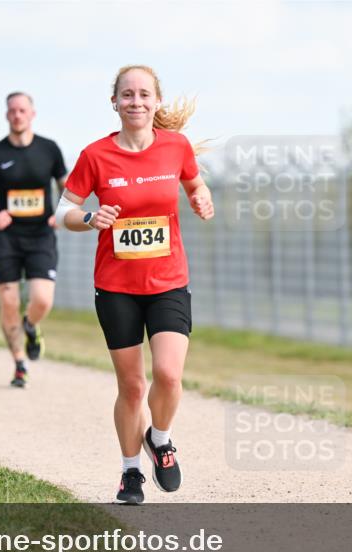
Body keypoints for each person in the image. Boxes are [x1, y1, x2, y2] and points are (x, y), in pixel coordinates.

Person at [57, 65, 214, 504]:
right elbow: (62, 212)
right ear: (115, 103)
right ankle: (130, 473)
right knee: (131, 387)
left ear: (156, 101)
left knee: (168, 374)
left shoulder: (176, 147)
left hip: (168, 281)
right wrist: (90, 217)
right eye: (127, 95)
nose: (136, 102)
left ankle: (159, 439)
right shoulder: (95, 155)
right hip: (116, 287)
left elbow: (196, 184)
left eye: (144, 94)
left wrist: (201, 198)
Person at [0, 92, 67, 387]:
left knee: (42, 299)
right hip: (6, 238)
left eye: (22, 110)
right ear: (6, 115)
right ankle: (19, 364)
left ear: (32, 114)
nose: (17, 115)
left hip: (41, 236)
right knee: (9, 301)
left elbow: (68, 187)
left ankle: (31, 325)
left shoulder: (49, 149)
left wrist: (62, 213)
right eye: (12, 111)